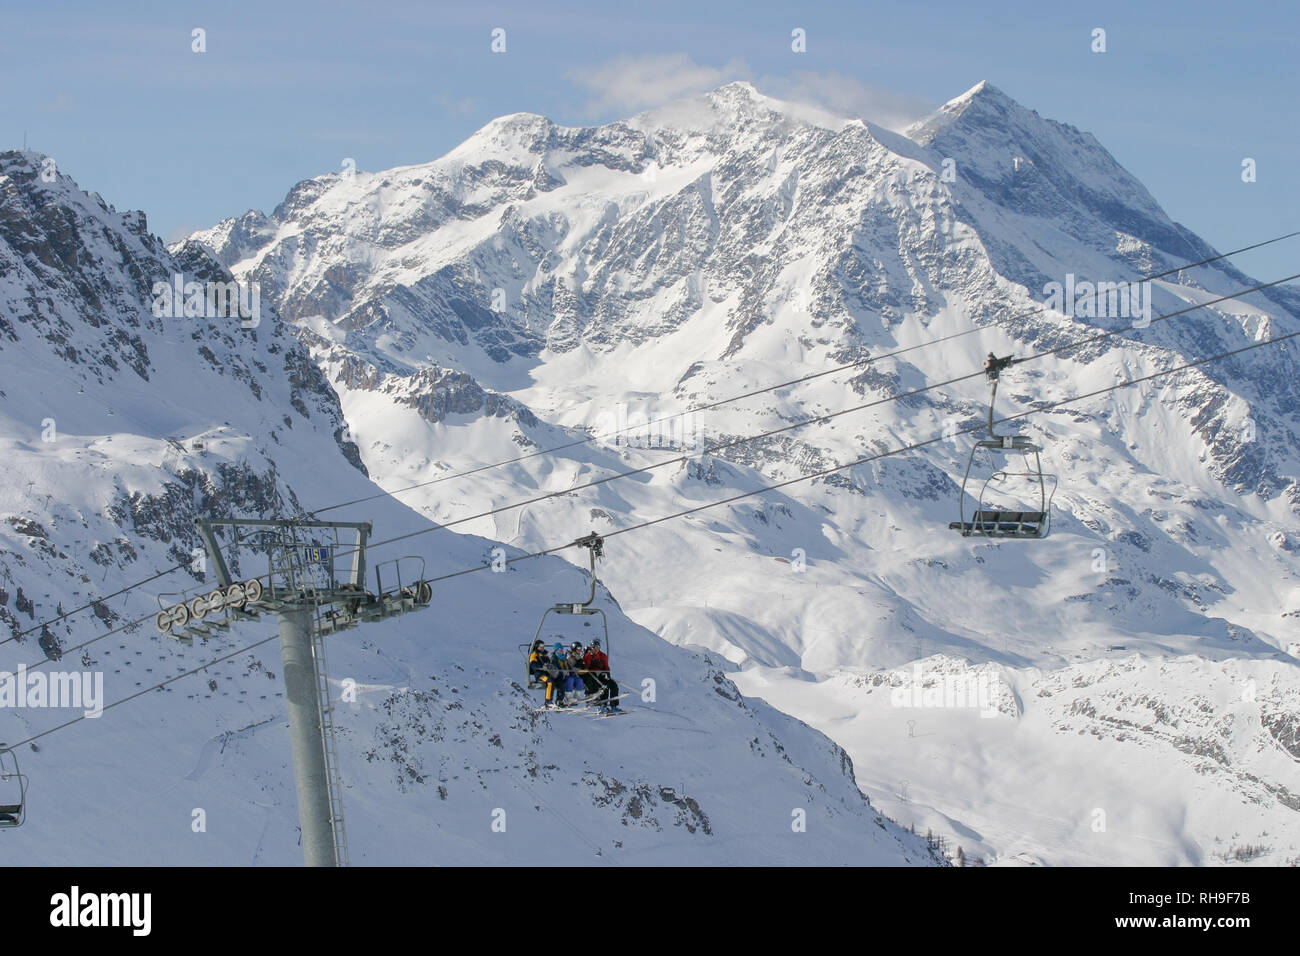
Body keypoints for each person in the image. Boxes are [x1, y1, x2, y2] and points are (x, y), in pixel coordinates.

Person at [583, 639, 620, 713]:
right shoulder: (588, 656)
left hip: (601, 676)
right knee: (603, 687)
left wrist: (607, 675)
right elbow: (586, 667)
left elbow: (606, 667)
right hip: (592, 676)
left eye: (597, 647)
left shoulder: (603, 656)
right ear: (591, 648)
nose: (596, 649)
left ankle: (614, 705)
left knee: (613, 685)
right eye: (594, 647)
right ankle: (603, 705)